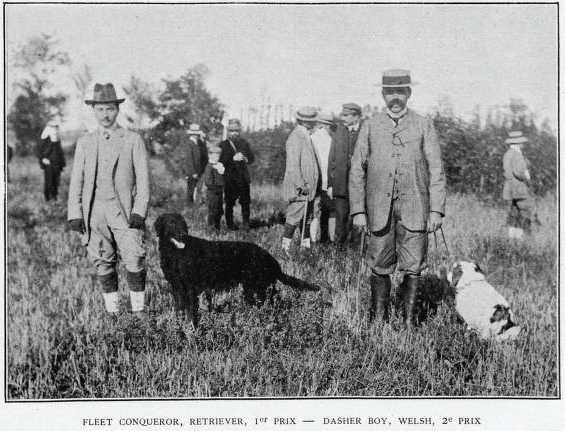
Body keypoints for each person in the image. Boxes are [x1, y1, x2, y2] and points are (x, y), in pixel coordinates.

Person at [349, 69, 446, 325]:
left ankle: (409, 323)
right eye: (390, 92)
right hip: (379, 210)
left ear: (408, 93)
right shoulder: (369, 126)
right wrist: (358, 211)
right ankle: (378, 320)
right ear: (383, 94)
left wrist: (436, 210)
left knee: (413, 266)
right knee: (379, 262)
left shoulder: (424, 124)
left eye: (400, 91)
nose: (395, 97)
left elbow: (436, 169)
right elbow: (357, 169)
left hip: (416, 208)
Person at [67, 83, 150, 316]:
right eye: (100, 109)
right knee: (102, 260)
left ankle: (139, 313)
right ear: (93, 111)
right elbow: (77, 181)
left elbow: (143, 181)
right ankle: (113, 313)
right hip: (94, 212)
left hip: (124, 211)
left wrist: (139, 211)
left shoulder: (133, 139)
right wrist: (75, 213)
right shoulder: (85, 142)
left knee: (134, 257)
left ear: (118, 110)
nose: (105, 114)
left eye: (110, 109)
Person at [281, 107, 320, 252]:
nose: (313, 123)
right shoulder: (295, 137)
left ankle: (305, 247)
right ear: (304, 122)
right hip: (300, 189)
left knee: (307, 217)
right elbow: (292, 165)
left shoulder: (305, 135)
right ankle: (285, 248)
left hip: (309, 188)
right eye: (311, 121)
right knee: (294, 216)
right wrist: (301, 185)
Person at [328, 103, 363, 244]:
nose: (343, 118)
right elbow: (332, 159)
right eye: (343, 115)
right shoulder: (339, 131)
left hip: (360, 187)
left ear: (356, 116)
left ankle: (357, 252)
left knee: (359, 220)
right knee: (340, 220)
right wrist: (331, 185)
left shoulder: (366, 131)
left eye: (346, 115)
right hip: (341, 186)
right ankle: (339, 252)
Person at [219, 118, 254, 230]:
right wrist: (233, 159)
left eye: (237, 131)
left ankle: (246, 224)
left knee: (245, 203)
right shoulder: (223, 145)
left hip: (243, 178)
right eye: (232, 131)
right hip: (230, 179)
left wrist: (246, 159)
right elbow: (220, 162)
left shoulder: (244, 143)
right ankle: (230, 225)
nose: (235, 133)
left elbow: (252, 158)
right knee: (229, 203)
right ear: (228, 132)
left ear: (240, 131)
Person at [310, 112, 335, 242]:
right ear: (327, 125)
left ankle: (312, 239)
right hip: (326, 181)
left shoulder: (311, 138)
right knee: (328, 210)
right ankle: (326, 239)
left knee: (314, 211)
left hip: (314, 181)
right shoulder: (330, 140)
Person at [502, 130, 532, 239]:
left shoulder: (507, 154)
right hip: (519, 190)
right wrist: (526, 176)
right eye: (521, 142)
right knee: (524, 214)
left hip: (509, 190)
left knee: (513, 214)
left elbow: (507, 172)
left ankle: (512, 240)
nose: (523, 144)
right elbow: (519, 172)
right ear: (518, 143)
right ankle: (522, 240)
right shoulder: (517, 155)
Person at [35, 121, 66, 202]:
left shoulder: (57, 138)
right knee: (49, 181)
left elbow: (60, 151)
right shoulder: (44, 137)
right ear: (48, 127)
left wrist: (62, 163)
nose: (55, 129)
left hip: (57, 164)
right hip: (48, 164)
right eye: (53, 127)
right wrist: (43, 159)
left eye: (56, 127)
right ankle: (48, 199)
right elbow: (38, 150)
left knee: (56, 181)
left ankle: (54, 198)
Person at [202, 146, 225, 232]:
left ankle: (217, 230)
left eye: (218, 156)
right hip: (212, 194)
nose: (217, 158)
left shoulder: (219, 166)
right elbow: (208, 182)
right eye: (215, 156)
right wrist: (218, 187)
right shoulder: (209, 167)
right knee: (212, 212)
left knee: (218, 212)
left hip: (218, 193)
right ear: (210, 156)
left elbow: (221, 179)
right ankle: (210, 230)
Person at [184, 123, 205, 207]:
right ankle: (189, 206)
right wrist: (193, 172)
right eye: (194, 133)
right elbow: (189, 160)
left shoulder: (197, 143)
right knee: (191, 189)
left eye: (197, 133)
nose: (196, 135)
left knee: (197, 188)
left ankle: (195, 204)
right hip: (191, 172)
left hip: (197, 170)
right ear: (191, 134)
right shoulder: (189, 144)